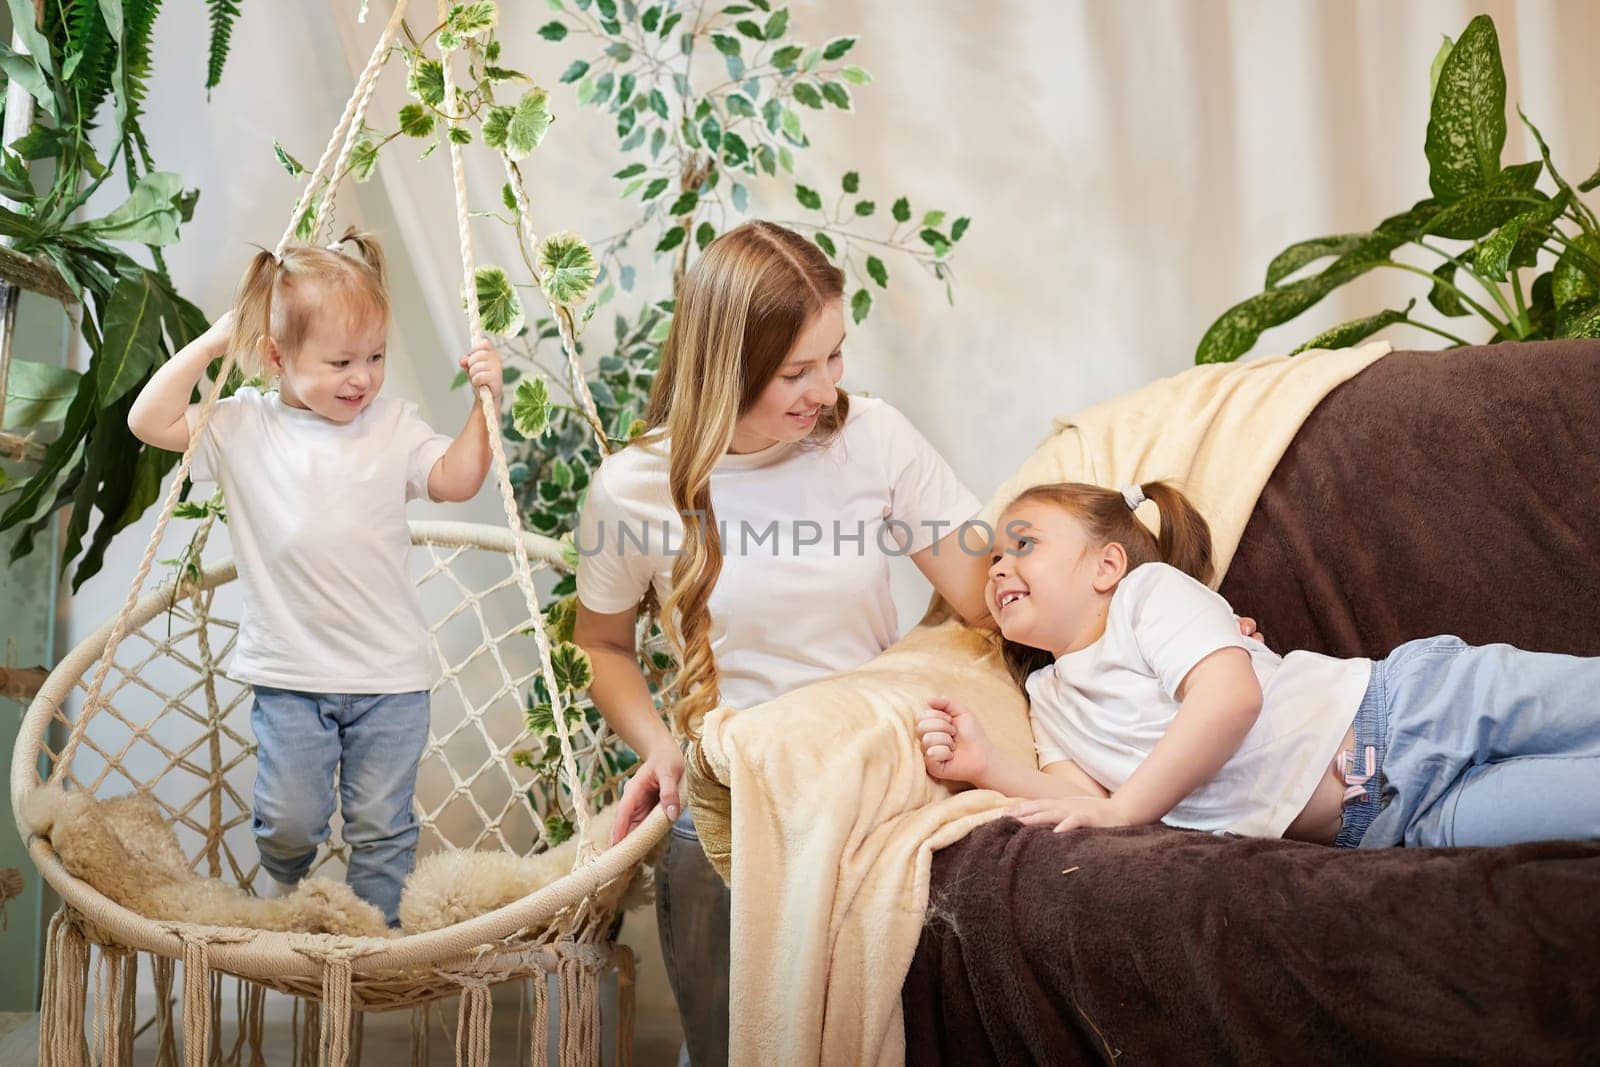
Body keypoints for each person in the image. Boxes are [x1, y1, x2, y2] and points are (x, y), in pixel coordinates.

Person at [575, 222, 1271, 1061]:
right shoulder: (632, 490)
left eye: (835, 358)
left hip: (867, 765)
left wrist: (1172, 620)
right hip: (737, 784)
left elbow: (994, 597)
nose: (826, 391)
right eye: (797, 371)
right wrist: (659, 745)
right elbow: (603, 647)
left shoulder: (872, 440)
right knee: (725, 1013)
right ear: (727, 366)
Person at [127, 228, 503, 926]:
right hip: (291, 673)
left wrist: (487, 407)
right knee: (288, 820)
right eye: (339, 361)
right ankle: (285, 895)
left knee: (381, 825)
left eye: (375, 356)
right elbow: (147, 420)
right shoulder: (242, 427)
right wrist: (214, 343)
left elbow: (455, 479)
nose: (361, 377)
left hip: (389, 677)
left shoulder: (392, 426)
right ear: (275, 356)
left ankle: (377, 946)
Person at [917, 480, 1600, 851]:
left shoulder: (1147, 597)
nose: (1001, 565)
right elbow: (1088, 810)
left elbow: (1228, 701)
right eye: (995, 559)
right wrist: (986, 765)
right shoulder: (1050, 697)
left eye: (1023, 543)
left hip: (1416, 708)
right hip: (1389, 823)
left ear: (1107, 564)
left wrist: (1126, 807)